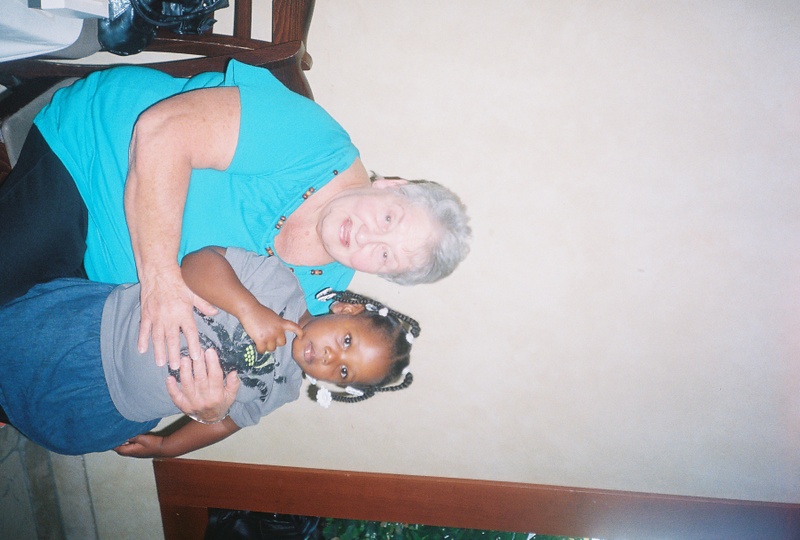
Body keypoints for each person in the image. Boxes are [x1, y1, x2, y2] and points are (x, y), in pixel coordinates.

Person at [0, 59, 470, 376]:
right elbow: (163, 132)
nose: (367, 238)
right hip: (95, 163)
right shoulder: (314, 143)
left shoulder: (321, 291)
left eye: (385, 256)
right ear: (392, 186)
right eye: (388, 219)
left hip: (112, 288)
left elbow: (230, 342)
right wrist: (160, 279)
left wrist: (210, 406)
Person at [0, 246, 419, 457]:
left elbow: (227, 423)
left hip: (111, 409)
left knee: (27, 412)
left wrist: (168, 448)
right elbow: (198, 263)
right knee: (15, 344)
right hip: (96, 332)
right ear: (347, 310)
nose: (331, 358)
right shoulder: (278, 283)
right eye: (346, 342)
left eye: (344, 372)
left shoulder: (284, 388)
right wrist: (249, 308)